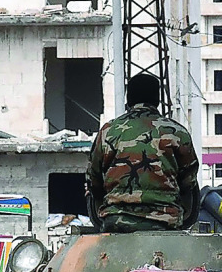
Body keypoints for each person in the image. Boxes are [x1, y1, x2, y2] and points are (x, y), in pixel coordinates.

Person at [86, 73, 200, 233]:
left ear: (129, 99)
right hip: (165, 223)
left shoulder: (108, 131)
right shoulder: (177, 131)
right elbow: (189, 183)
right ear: (157, 100)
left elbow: (93, 182)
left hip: (116, 221)